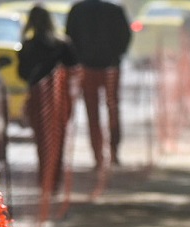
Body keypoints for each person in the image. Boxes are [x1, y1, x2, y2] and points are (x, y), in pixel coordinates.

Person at [18, 5, 78, 194]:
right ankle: (54, 181)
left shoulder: (28, 45)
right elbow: (74, 66)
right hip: (60, 100)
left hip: (37, 98)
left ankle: (44, 179)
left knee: (42, 141)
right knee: (57, 139)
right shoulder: (62, 44)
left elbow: (22, 73)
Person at [65, 0, 131, 169]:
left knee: (92, 113)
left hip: (86, 67)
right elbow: (125, 36)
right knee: (113, 108)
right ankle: (114, 153)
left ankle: (98, 157)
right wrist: (116, 55)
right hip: (110, 67)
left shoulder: (77, 10)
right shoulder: (115, 9)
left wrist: (79, 58)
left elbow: (69, 37)